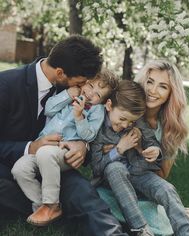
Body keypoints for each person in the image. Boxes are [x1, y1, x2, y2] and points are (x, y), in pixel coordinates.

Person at [0, 35, 128, 235]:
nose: (86, 87)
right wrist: (30, 148)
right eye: (83, 81)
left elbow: (92, 128)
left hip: (58, 161)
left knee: (84, 194)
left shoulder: (80, 88)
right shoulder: (5, 85)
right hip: (14, 164)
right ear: (60, 73)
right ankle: (47, 206)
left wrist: (83, 147)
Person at [90, 80, 189, 236]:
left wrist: (155, 150)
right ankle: (140, 228)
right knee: (115, 168)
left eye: (131, 122)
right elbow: (97, 168)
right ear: (108, 106)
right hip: (112, 177)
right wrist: (120, 149)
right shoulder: (98, 128)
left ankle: (188, 232)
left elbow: (151, 141)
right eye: (122, 119)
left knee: (166, 188)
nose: (126, 125)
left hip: (137, 172)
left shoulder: (135, 120)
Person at [11, 68, 118, 226]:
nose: (90, 94)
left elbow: (89, 135)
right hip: (43, 147)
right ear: (85, 82)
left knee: (46, 154)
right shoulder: (71, 96)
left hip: (65, 152)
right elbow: (49, 109)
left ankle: (51, 204)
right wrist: (67, 95)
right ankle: (41, 206)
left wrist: (79, 116)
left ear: (103, 101)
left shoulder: (97, 111)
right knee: (19, 169)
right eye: (90, 86)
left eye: (98, 95)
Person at [134, 59, 189, 230]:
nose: (152, 90)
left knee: (156, 205)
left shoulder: (171, 129)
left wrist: (145, 152)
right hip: (115, 180)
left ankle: (188, 217)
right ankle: (185, 214)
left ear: (171, 93)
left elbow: (161, 178)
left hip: (145, 186)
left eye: (162, 86)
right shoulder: (127, 110)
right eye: (150, 82)